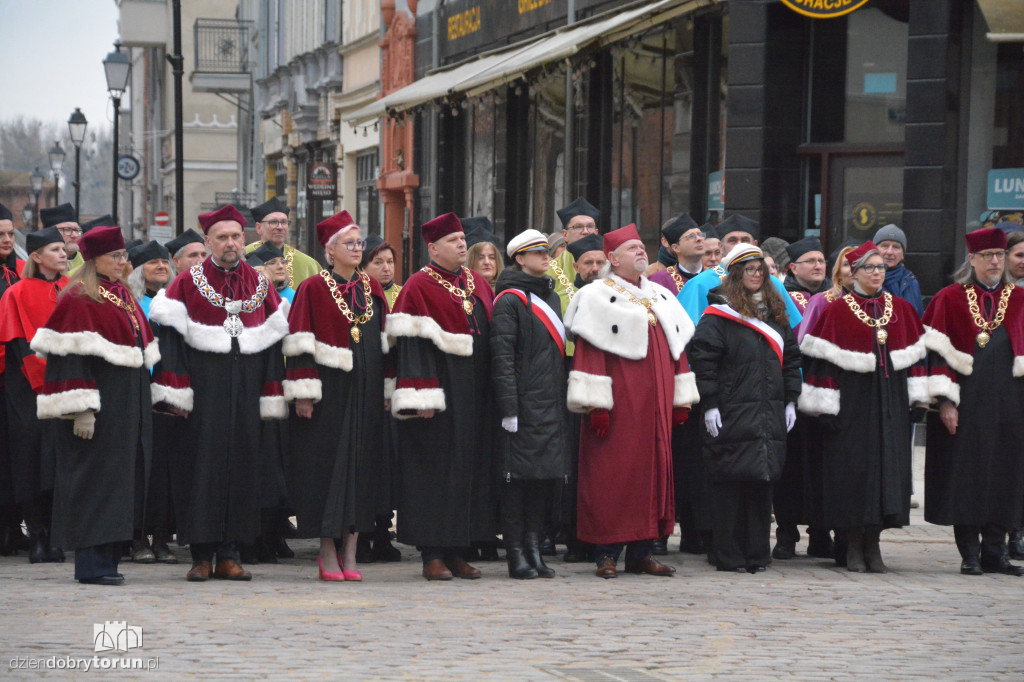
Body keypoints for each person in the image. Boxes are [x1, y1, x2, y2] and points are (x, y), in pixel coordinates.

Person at [150, 205, 289, 582]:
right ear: (208, 242)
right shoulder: (185, 283)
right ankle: (201, 554)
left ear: (245, 240)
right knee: (200, 468)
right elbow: (172, 344)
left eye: (236, 236)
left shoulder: (260, 287)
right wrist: (177, 393)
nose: (230, 243)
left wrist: (271, 392)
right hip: (202, 391)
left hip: (246, 390)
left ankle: (231, 552)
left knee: (243, 468)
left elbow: (275, 343)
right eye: (222, 237)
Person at [564, 224, 698, 578]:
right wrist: (596, 406)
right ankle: (606, 553)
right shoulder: (596, 296)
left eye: (642, 246)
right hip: (618, 407)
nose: (641, 252)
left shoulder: (661, 296)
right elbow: (589, 355)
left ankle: (642, 551)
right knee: (613, 477)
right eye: (632, 248)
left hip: (655, 407)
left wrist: (680, 399)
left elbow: (677, 349)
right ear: (612, 258)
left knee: (652, 475)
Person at [31, 225, 157, 585]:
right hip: (100, 406)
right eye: (115, 256)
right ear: (94, 258)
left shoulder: (121, 294)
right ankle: (91, 563)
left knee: (121, 482)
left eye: (123, 255)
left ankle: (111, 557)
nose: (122, 262)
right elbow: (69, 358)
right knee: (95, 483)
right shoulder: (79, 296)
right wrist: (80, 407)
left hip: (127, 403)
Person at [798, 241, 928, 573]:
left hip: (891, 404)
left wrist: (918, 398)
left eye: (881, 267)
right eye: (869, 268)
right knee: (853, 473)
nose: (877, 273)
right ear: (854, 273)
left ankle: (874, 543)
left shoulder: (902, 308)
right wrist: (824, 406)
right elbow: (822, 364)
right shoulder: (836, 310)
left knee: (888, 472)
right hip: (852, 407)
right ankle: (852, 543)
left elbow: (914, 361)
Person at [386, 212, 497, 580]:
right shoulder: (417, 286)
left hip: (475, 392)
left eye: (463, 238)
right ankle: (432, 552)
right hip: (439, 393)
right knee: (433, 471)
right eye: (453, 240)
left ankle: (459, 548)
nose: (462, 244)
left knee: (469, 469)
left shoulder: (477, 283)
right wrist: (422, 397)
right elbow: (410, 347)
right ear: (432, 248)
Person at [284, 210, 390, 582]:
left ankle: (351, 548)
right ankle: (327, 548)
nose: (357, 248)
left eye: (360, 242)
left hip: (368, 387)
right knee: (328, 467)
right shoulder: (312, 288)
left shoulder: (372, 287)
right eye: (350, 243)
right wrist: (303, 392)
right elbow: (298, 340)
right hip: (329, 391)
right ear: (330, 251)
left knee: (363, 468)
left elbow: (385, 341)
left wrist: (389, 389)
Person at [687, 244, 801, 573]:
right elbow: (703, 361)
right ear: (736, 274)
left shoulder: (775, 313)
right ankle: (727, 554)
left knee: (761, 484)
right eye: (749, 270)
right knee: (729, 484)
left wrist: (791, 398)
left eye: (760, 270)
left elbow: (791, 359)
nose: (755, 275)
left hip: (768, 411)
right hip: (731, 410)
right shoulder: (718, 316)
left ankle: (756, 554)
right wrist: (709, 403)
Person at [922, 227, 1024, 576]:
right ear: (972, 259)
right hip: (966, 404)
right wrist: (944, 402)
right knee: (965, 476)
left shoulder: (1020, 299)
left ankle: (996, 551)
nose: (994, 262)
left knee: (1005, 476)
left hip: (1011, 405)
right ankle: (970, 553)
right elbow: (934, 355)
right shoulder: (949, 299)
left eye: (999, 255)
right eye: (987, 256)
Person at [490, 229, 569, 579]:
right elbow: (502, 358)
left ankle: (535, 549)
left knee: (542, 480)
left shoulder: (549, 298)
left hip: (549, 403)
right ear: (519, 258)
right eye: (536, 252)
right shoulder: (509, 299)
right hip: (522, 405)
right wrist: (509, 408)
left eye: (546, 251)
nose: (545, 256)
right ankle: (516, 553)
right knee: (516, 482)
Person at [0, 228, 69, 564]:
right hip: (26, 389)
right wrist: (42, 379)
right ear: (37, 256)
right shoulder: (16, 292)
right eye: (55, 249)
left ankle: (56, 534)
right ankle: (37, 534)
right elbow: (15, 341)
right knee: (30, 459)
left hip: (67, 385)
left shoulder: (72, 290)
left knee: (60, 459)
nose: (63, 254)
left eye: (64, 249)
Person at [774, 236, 834, 560]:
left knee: (821, 467)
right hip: (790, 389)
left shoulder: (833, 296)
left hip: (823, 390)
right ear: (792, 267)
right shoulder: (782, 296)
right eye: (810, 260)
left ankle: (820, 534)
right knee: (790, 468)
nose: (817, 265)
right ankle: (786, 535)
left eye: (821, 260)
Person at [0, 204, 28, 555]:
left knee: (14, 457)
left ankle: (12, 526)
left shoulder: (21, 272)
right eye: (1, 235)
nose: (7, 240)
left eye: (10, 233)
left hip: (16, 380)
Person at [247, 196, 320, 287]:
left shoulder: (309, 265)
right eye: (273, 222)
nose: (280, 227)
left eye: (284, 222)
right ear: (258, 228)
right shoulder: (243, 257)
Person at [648, 214, 705, 295]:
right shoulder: (658, 280)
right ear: (675, 248)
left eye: (700, 234)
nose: (699, 239)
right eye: (691, 236)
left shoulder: (718, 276)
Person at [874, 224, 923, 317]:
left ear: (902, 255)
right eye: (885, 246)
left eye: (896, 247)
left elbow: (918, 320)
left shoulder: (911, 282)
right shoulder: (866, 280)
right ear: (874, 250)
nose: (889, 252)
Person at [362, 234, 402, 310]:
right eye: (378, 263)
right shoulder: (356, 295)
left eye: (390, 262)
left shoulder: (403, 294)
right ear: (363, 268)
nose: (386, 268)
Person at [40, 203, 84, 273]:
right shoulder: (42, 265)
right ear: (51, 233)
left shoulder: (87, 260)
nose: (75, 235)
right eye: (67, 230)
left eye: (76, 230)